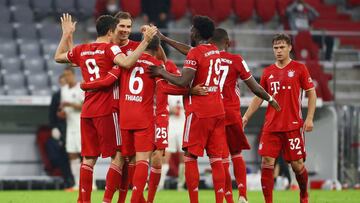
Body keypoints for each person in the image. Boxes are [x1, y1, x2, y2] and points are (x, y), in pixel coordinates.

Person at [157, 26, 280, 203]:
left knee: (215, 158)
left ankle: (223, 198)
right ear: (227, 43)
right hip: (228, 112)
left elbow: (188, 54)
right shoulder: (235, 59)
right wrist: (269, 98)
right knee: (235, 154)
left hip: (206, 108)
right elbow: (255, 86)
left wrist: (164, 39)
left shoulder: (203, 54)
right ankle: (242, 195)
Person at [54, 13, 157, 203]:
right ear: (111, 31)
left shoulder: (83, 49)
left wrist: (67, 35)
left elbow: (59, 57)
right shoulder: (110, 49)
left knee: (88, 159)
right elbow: (126, 62)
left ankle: (84, 200)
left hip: (87, 111)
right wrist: (145, 42)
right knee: (118, 156)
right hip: (109, 109)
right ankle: (108, 200)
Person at [149, 15, 227, 203]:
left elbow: (183, 81)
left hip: (199, 111)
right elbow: (191, 52)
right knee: (216, 159)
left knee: (190, 157)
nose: (190, 31)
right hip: (218, 110)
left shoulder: (196, 54)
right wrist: (165, 38)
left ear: (197, 32)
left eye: (192, 29)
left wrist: (161, 72)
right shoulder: (214, 51)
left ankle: (194, 200)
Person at [242, 33, 317, 203]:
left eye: (282, 47)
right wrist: (246, 116)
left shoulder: (300, 68)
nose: (278, 51)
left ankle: (304, 195)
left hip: (293, 126)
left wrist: (310, 118)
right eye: (276, 48)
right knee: (267, 161)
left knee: (297, 165)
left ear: (290, 47)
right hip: (271, 126)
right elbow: (259, 96)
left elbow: (312, 93)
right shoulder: (268, 71)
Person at [48, 74, 74, 189]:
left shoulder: (74, 94)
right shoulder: (57, 96)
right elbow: (52, 113)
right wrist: (54, 127)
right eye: (62, 82)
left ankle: (78, 181)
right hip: (62, 129)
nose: (63, 84)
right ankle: (68, 180)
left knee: (78, 155)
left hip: (74, 127)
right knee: (64, 155)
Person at [60, 67, 84, 191]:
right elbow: (63, 107)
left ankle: (91, 184)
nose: (67, 77)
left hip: (81, 125)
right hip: (70, 126)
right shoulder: (63, 90)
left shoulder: (81, 87)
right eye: (65, 75)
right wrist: (62, 112)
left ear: (73, 75)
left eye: (68, 75)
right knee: (72, 154)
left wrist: (70, 104)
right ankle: (77, 184)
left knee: (85, 155)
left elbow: (84, 106)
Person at [164, 95, 186, 191]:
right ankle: (160, 184)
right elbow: (161, 108)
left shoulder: (186, 91)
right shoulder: (168, 93)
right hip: (170, 128)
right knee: (165, 156)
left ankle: (180, 185)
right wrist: (170, 110)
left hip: (182, 128)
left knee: (184, 158)